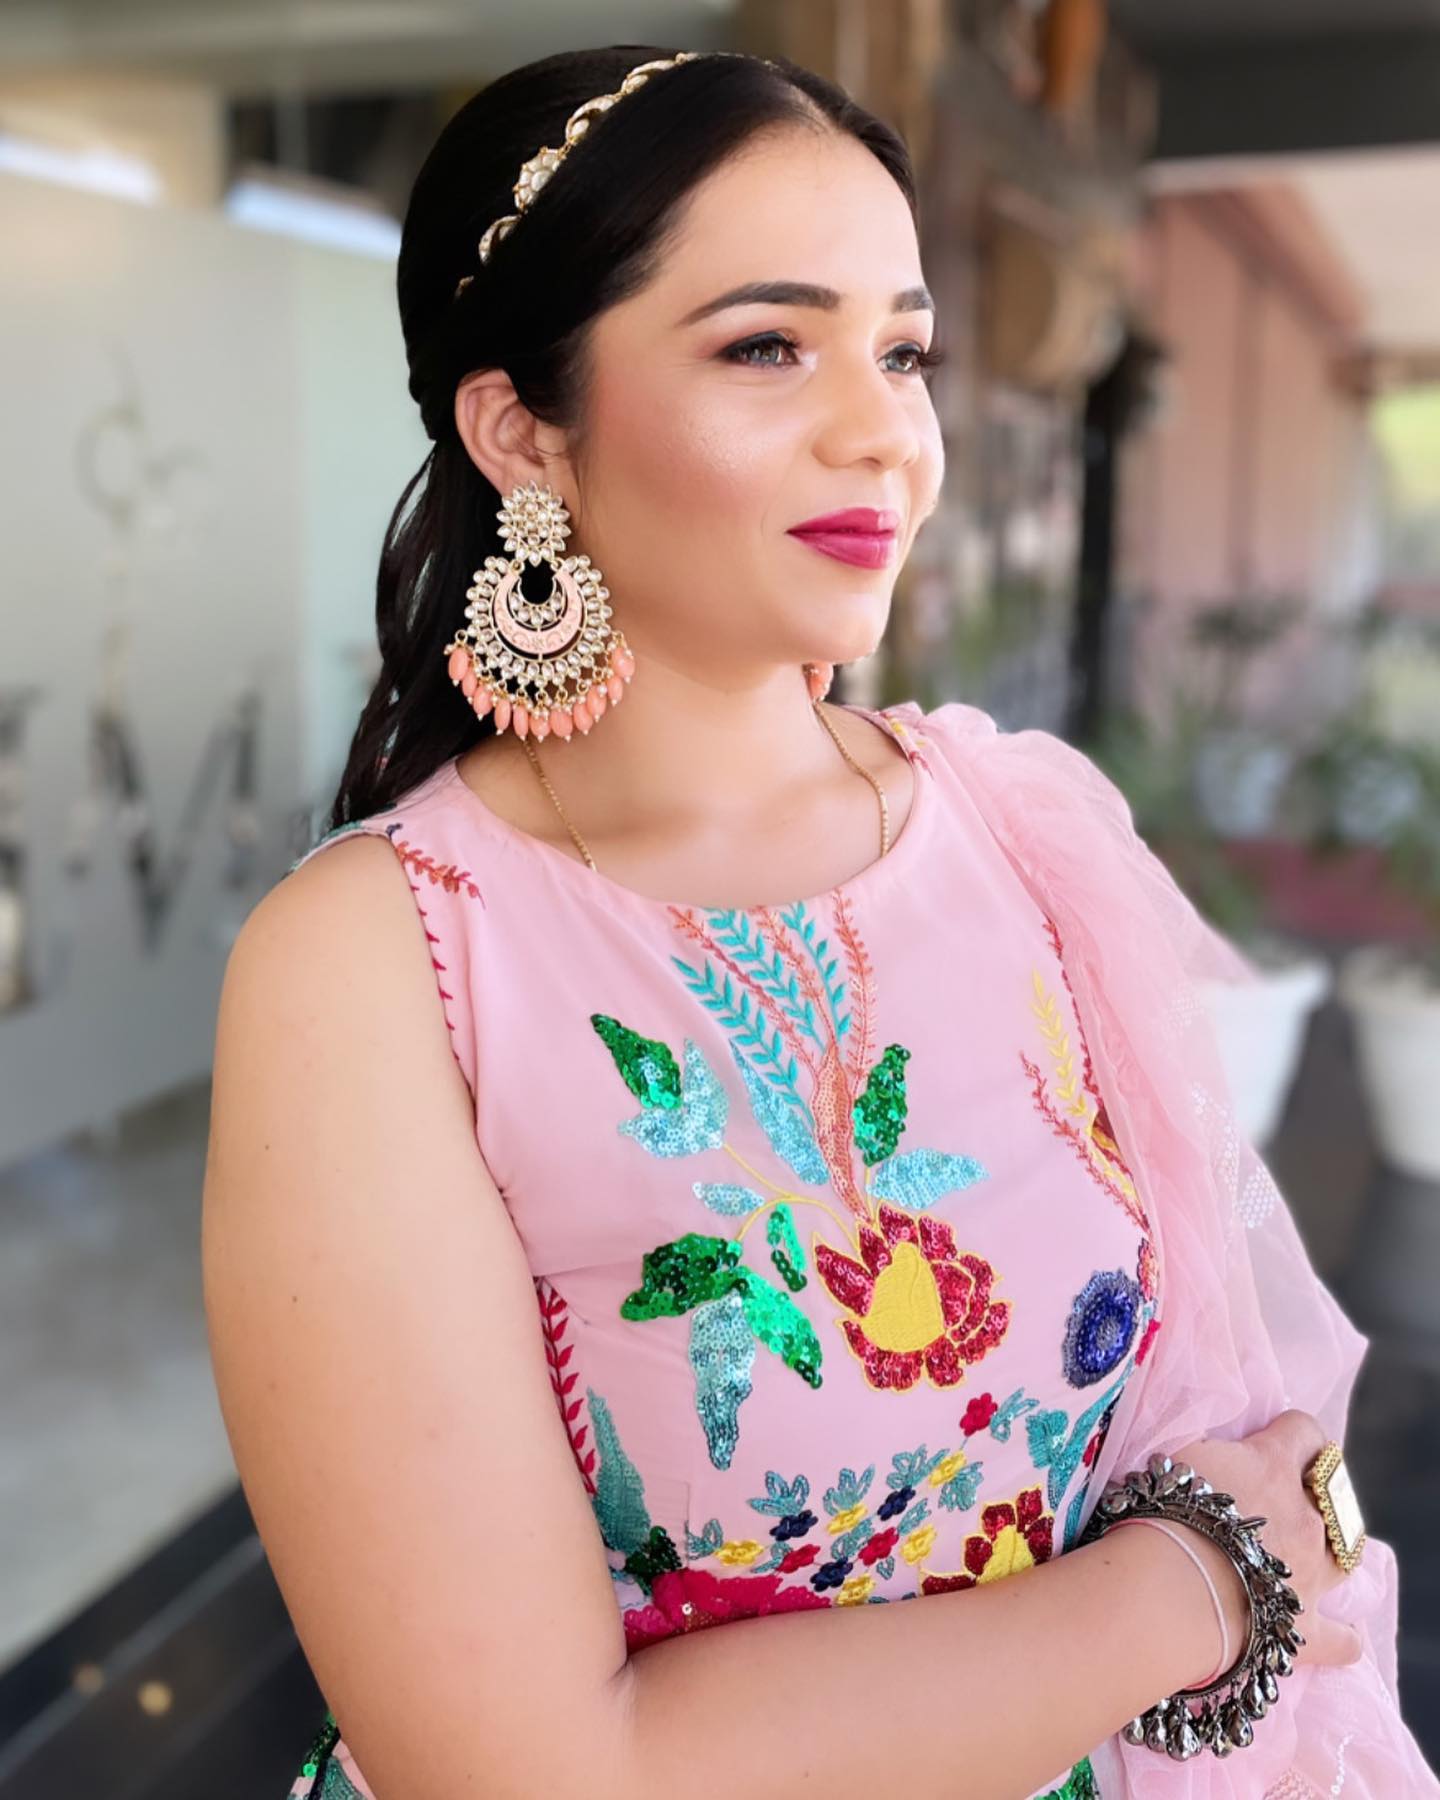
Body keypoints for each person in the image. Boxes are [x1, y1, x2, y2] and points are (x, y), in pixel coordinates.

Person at [200, 44, 1438, 1800]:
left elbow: (1234, 1407)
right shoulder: (378, 961)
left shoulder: (1018, 824)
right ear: (522, 429)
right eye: (767, 345)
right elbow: (526, 1772)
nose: (883, 432)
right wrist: (1192, 1592)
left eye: (903, 350)